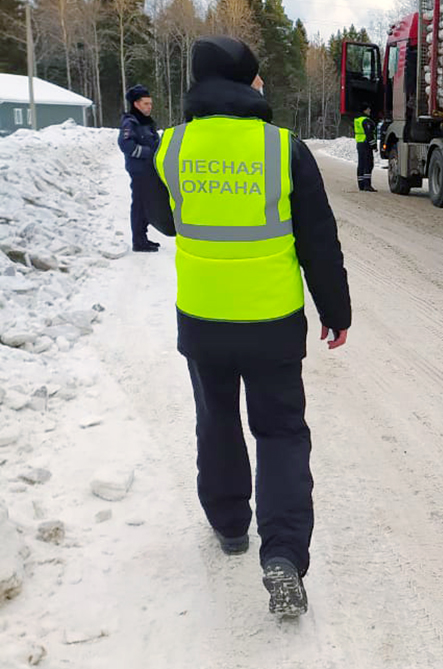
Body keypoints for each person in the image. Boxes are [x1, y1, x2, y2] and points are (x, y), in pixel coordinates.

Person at [142, 35, 352, 618]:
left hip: (204, 320)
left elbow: (162, 220)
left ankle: (231, 525)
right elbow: (318, 240)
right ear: (245, 82)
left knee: (217, 421)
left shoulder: (170, 147)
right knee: (281, 432)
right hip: (272, 321)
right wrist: (335, 312)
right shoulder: (284, 147)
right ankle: (282, 554)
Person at [117, 84, 160, 252]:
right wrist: (148, 153)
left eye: (150, 104)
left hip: (148, 170)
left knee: (146, 204)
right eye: (145, 104)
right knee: (140, 205)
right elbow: (125, 144)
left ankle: (143, 237)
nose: (149, 107)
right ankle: (138, 241)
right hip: (139, 169)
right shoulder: (130, 122)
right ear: (136, 104)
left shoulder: (146, 122)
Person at [354, 104, 377, 192]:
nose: (370, 110)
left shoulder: (357, 119)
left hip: (360, 143)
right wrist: (373, 145)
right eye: (368, 109)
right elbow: (369, 134)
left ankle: (361, 184)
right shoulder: (366, 121)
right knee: (368, 164)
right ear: (364, 110)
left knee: (361, 164)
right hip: (366, 144)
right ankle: (367, 185)